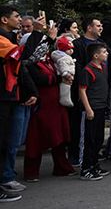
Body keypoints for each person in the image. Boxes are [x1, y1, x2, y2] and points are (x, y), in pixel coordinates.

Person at [69, 4, 111, 166]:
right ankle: (81, 161)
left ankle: (94, 162)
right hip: (85, 95)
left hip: (101, 96)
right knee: (83, 131)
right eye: (98, 25)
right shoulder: (78, 44)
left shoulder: (102, 43)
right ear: (89, 28)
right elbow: (77, 71)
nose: (101, 27)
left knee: (96, 134)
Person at [22, 26, 76, 183]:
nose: (44, 47)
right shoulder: (31, 63)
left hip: (55, 103)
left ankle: (62, 167)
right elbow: (41, 80)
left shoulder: (50, 60)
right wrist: (60, 79)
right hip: (41, 105)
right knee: (36, 139)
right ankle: (31, 172)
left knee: (59, 137)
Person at [0, 6, 39, 203]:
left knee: (11, 140)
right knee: (5, 141)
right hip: (5, 96)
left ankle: (7, 177)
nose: (19, 20)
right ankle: (5, 178)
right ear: (4, 20)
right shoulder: (2, 40)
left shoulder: (10, 38)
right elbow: (21, 57)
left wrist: (30, 91)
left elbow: (21, 67)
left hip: (13, 95)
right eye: (16, 17)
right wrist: (39, 34)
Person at [78, 43, 111, 181]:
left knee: (98, 138)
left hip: (101, 107)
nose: (107, 53)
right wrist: (88, 108)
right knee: (89, 139)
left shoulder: (103, 68)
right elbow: (82, 90)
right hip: (92, 108)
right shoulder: (87, 70)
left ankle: (94, 164)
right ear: (96, 55)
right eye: (104, 52)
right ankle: (86, 168)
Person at [51, 36, 75, 107]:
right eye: (68, 49)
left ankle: (66, 99)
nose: (71, 51)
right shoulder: (64, 58)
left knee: (67, 87)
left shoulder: (64, 57)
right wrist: (66, 73)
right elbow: (63, 65)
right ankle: (65, 99)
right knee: (65, 87)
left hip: (68, 75)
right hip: (65, 75)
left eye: (71, 49)